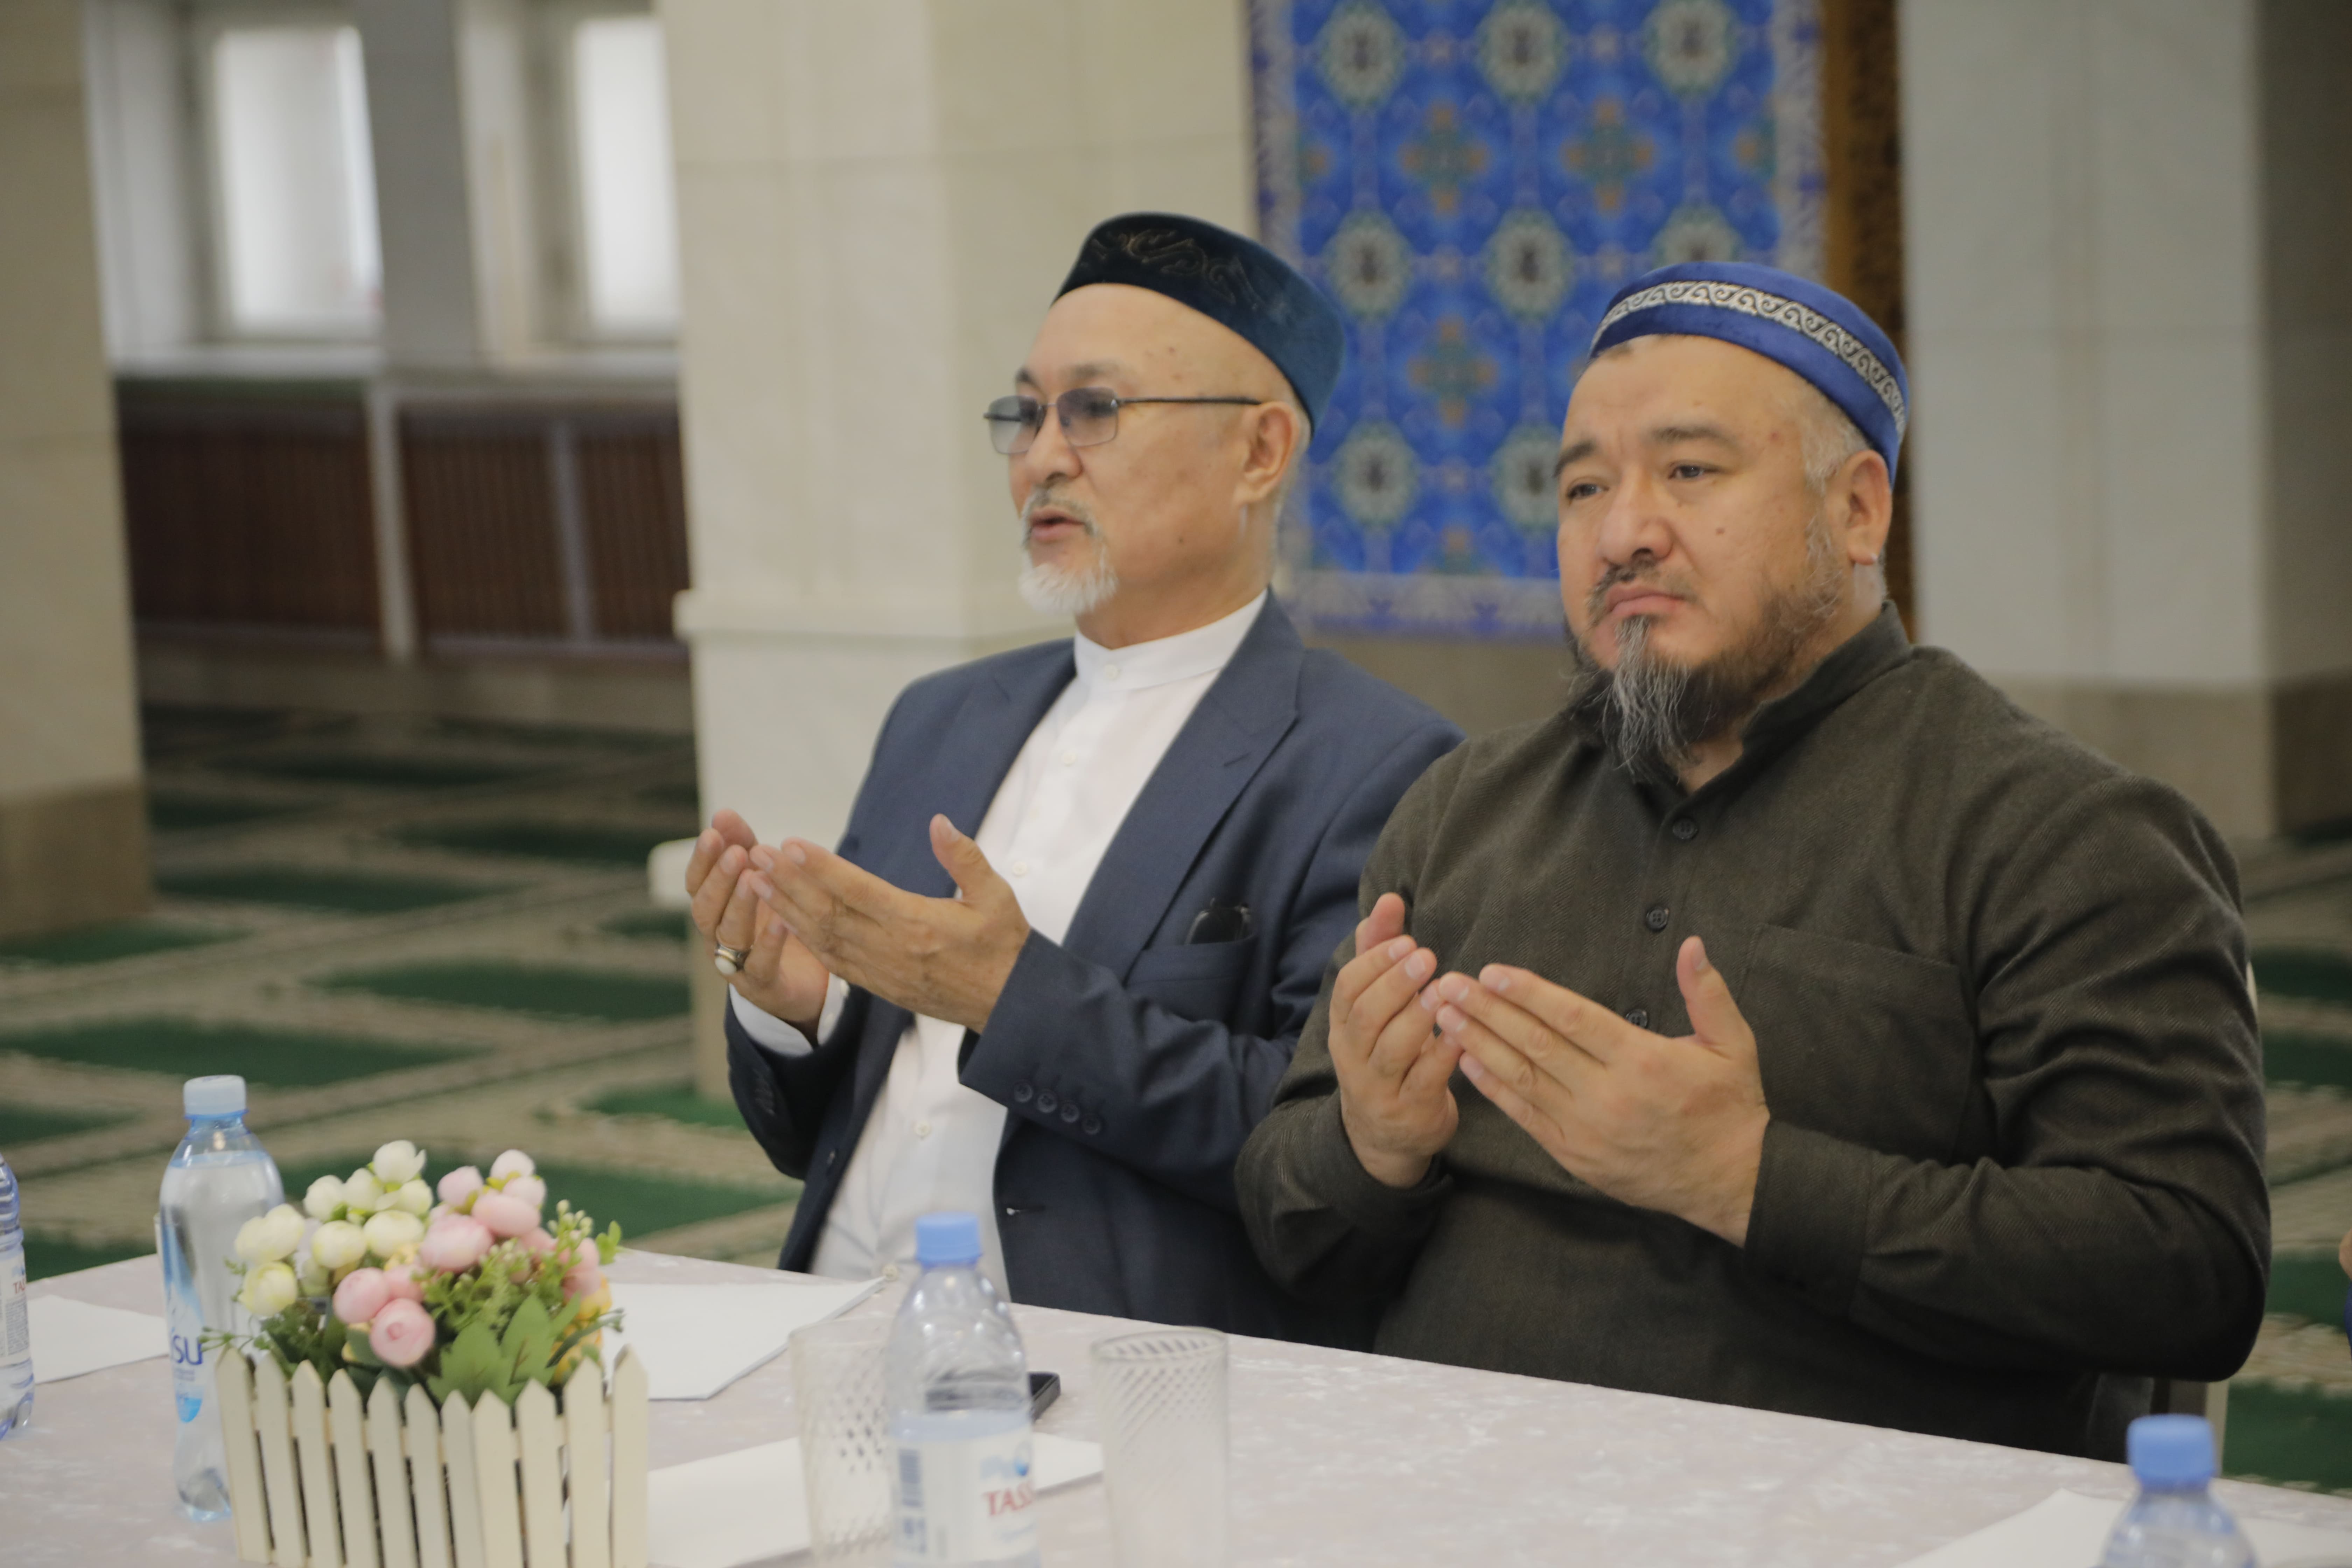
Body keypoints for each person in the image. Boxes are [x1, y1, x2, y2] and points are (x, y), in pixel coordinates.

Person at [1236, 261, 2270, 1455]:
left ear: (1859, 511)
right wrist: (1372, 1149)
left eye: (1690, 471)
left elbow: (2186, 1270)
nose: (1623, 532)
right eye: (1583, 487)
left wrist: (1749, 1179)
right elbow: (1289, 1229)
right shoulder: (1465, 810)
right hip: (1439, 1497)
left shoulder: (2063, 835)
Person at [688, 213, 1462, 1337]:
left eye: (1095, 410)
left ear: (1259, 453)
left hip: (1099, 1372)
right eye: (1025, 413)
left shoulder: (1374, 764)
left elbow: (1326, 1146)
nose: (1044, 457)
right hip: (835, 1334)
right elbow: (813, 1134)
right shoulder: (941, 719)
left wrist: (1012, 997)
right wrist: (794, 1012)